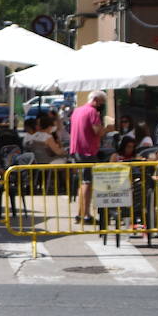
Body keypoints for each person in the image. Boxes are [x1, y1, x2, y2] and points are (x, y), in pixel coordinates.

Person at [70, 90, 108, 224]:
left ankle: (80, 213)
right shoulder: (92, 112)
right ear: (96, 100)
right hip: (87, 151)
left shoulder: (77, 110)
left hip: (76, 149)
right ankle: (86, 214)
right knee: (87, 182)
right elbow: (97, 130)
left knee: (82, 182)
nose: (102, 106)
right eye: (102, 103)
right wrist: (107, 128)